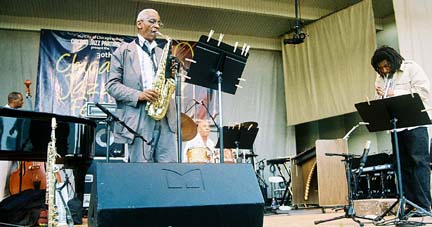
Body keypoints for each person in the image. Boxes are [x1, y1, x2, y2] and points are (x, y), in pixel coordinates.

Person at [105, 8, 177, 163]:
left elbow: (168, 83)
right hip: (139, 119)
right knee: (141, 171)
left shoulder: (162, 53)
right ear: (139, 24)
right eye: (152, 21)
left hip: (165, 117)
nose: (157, 26)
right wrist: (139, 95)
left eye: (158, 22)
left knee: (168, 171)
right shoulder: (122, 51)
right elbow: (112, 85)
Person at [371, 46, 431, 212]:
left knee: (419, 162)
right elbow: (382, 102)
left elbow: (424, 91)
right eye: (380, 68)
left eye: (386, 66)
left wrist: (394, 92)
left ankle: (423, 205)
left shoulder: (411, 68)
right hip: (396, 127)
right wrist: (378, 96)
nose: (384, 70)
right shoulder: (380, 77)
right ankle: (410, 204)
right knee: (401, 165)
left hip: (415, 124)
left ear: (393, 60)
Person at [0, 92, 23, 201]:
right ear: (14, 101)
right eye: (20, 100)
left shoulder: (17, 114)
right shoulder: (3, 113)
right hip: (4, 151)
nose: (22, 102)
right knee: (2, 181)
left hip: (14, 151)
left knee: (11, 182)